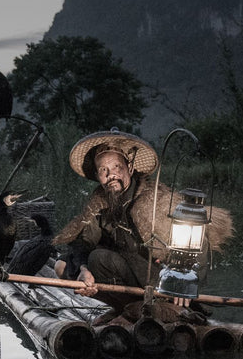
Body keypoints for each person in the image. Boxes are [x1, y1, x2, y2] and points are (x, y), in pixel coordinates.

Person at [52, 129, 233, 322]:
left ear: (129, 168)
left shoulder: (155, 200)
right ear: (98, 176)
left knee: (99, 258)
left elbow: (199, 239)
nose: (111, 175)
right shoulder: (100, 203)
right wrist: (83, 270)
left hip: (161, 279)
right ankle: (129, 308)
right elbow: (83, 242)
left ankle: (159, 308)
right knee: (63, 265)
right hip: (129, 276)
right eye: (103, 170)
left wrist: (187, 282)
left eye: (116, 167)